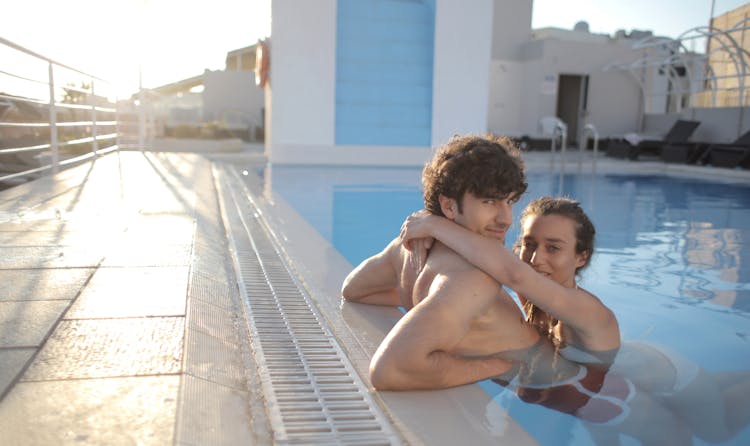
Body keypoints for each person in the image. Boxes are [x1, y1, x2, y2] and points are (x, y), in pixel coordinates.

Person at [342, 134, 550, 390]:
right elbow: (389, 370)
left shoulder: (405, 247)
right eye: (489, 201)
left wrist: (430, 309)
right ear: (449, 207)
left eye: (509, 201)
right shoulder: (472, 278)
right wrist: (503, 366)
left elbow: (354, 289)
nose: (506, 218)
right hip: (541, 378)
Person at [399, 196, 620, 362]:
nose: (535, 259)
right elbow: (489, 255)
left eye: (553, 248)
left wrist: (433, 225)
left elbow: (514, 273)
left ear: (582, 257)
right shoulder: (531, 295)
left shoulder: (590, 311)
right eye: (529, 245)